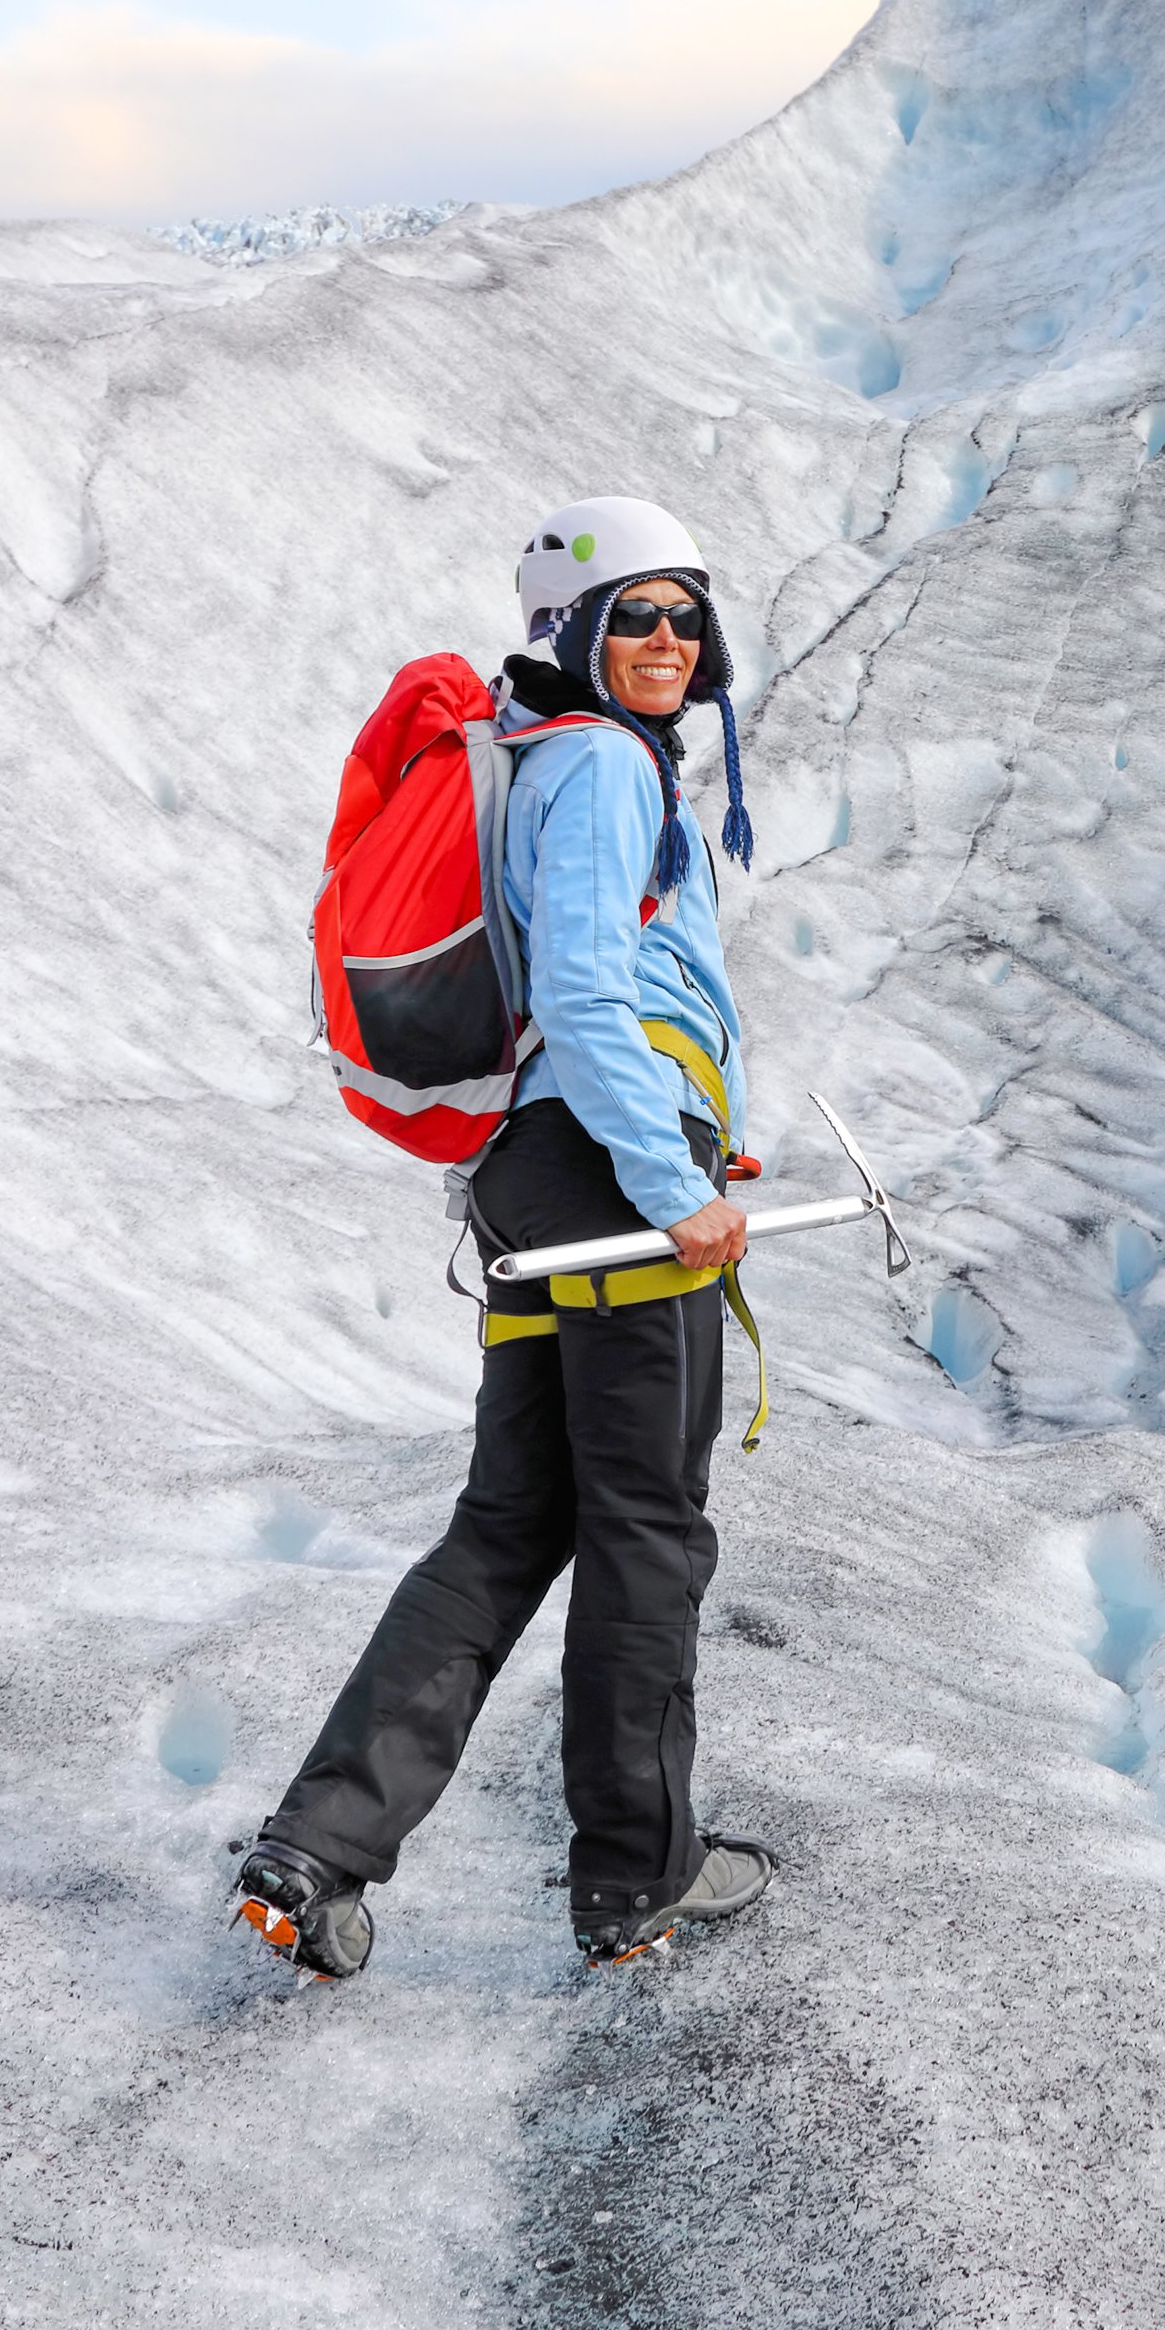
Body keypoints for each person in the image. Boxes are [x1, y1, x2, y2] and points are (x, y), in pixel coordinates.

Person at [234, 496, 774, 1979]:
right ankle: (636, 1876)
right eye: (636, 618)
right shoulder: (600, 764)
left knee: (513, 1519)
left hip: (531, 1173)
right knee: (646, 1528)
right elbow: (595, 996)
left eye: (685, 616)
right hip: (609, 1181)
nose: (666, 642)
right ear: (574, 635)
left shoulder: (533, 750)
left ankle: (316, 1851)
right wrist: (672, 1188)